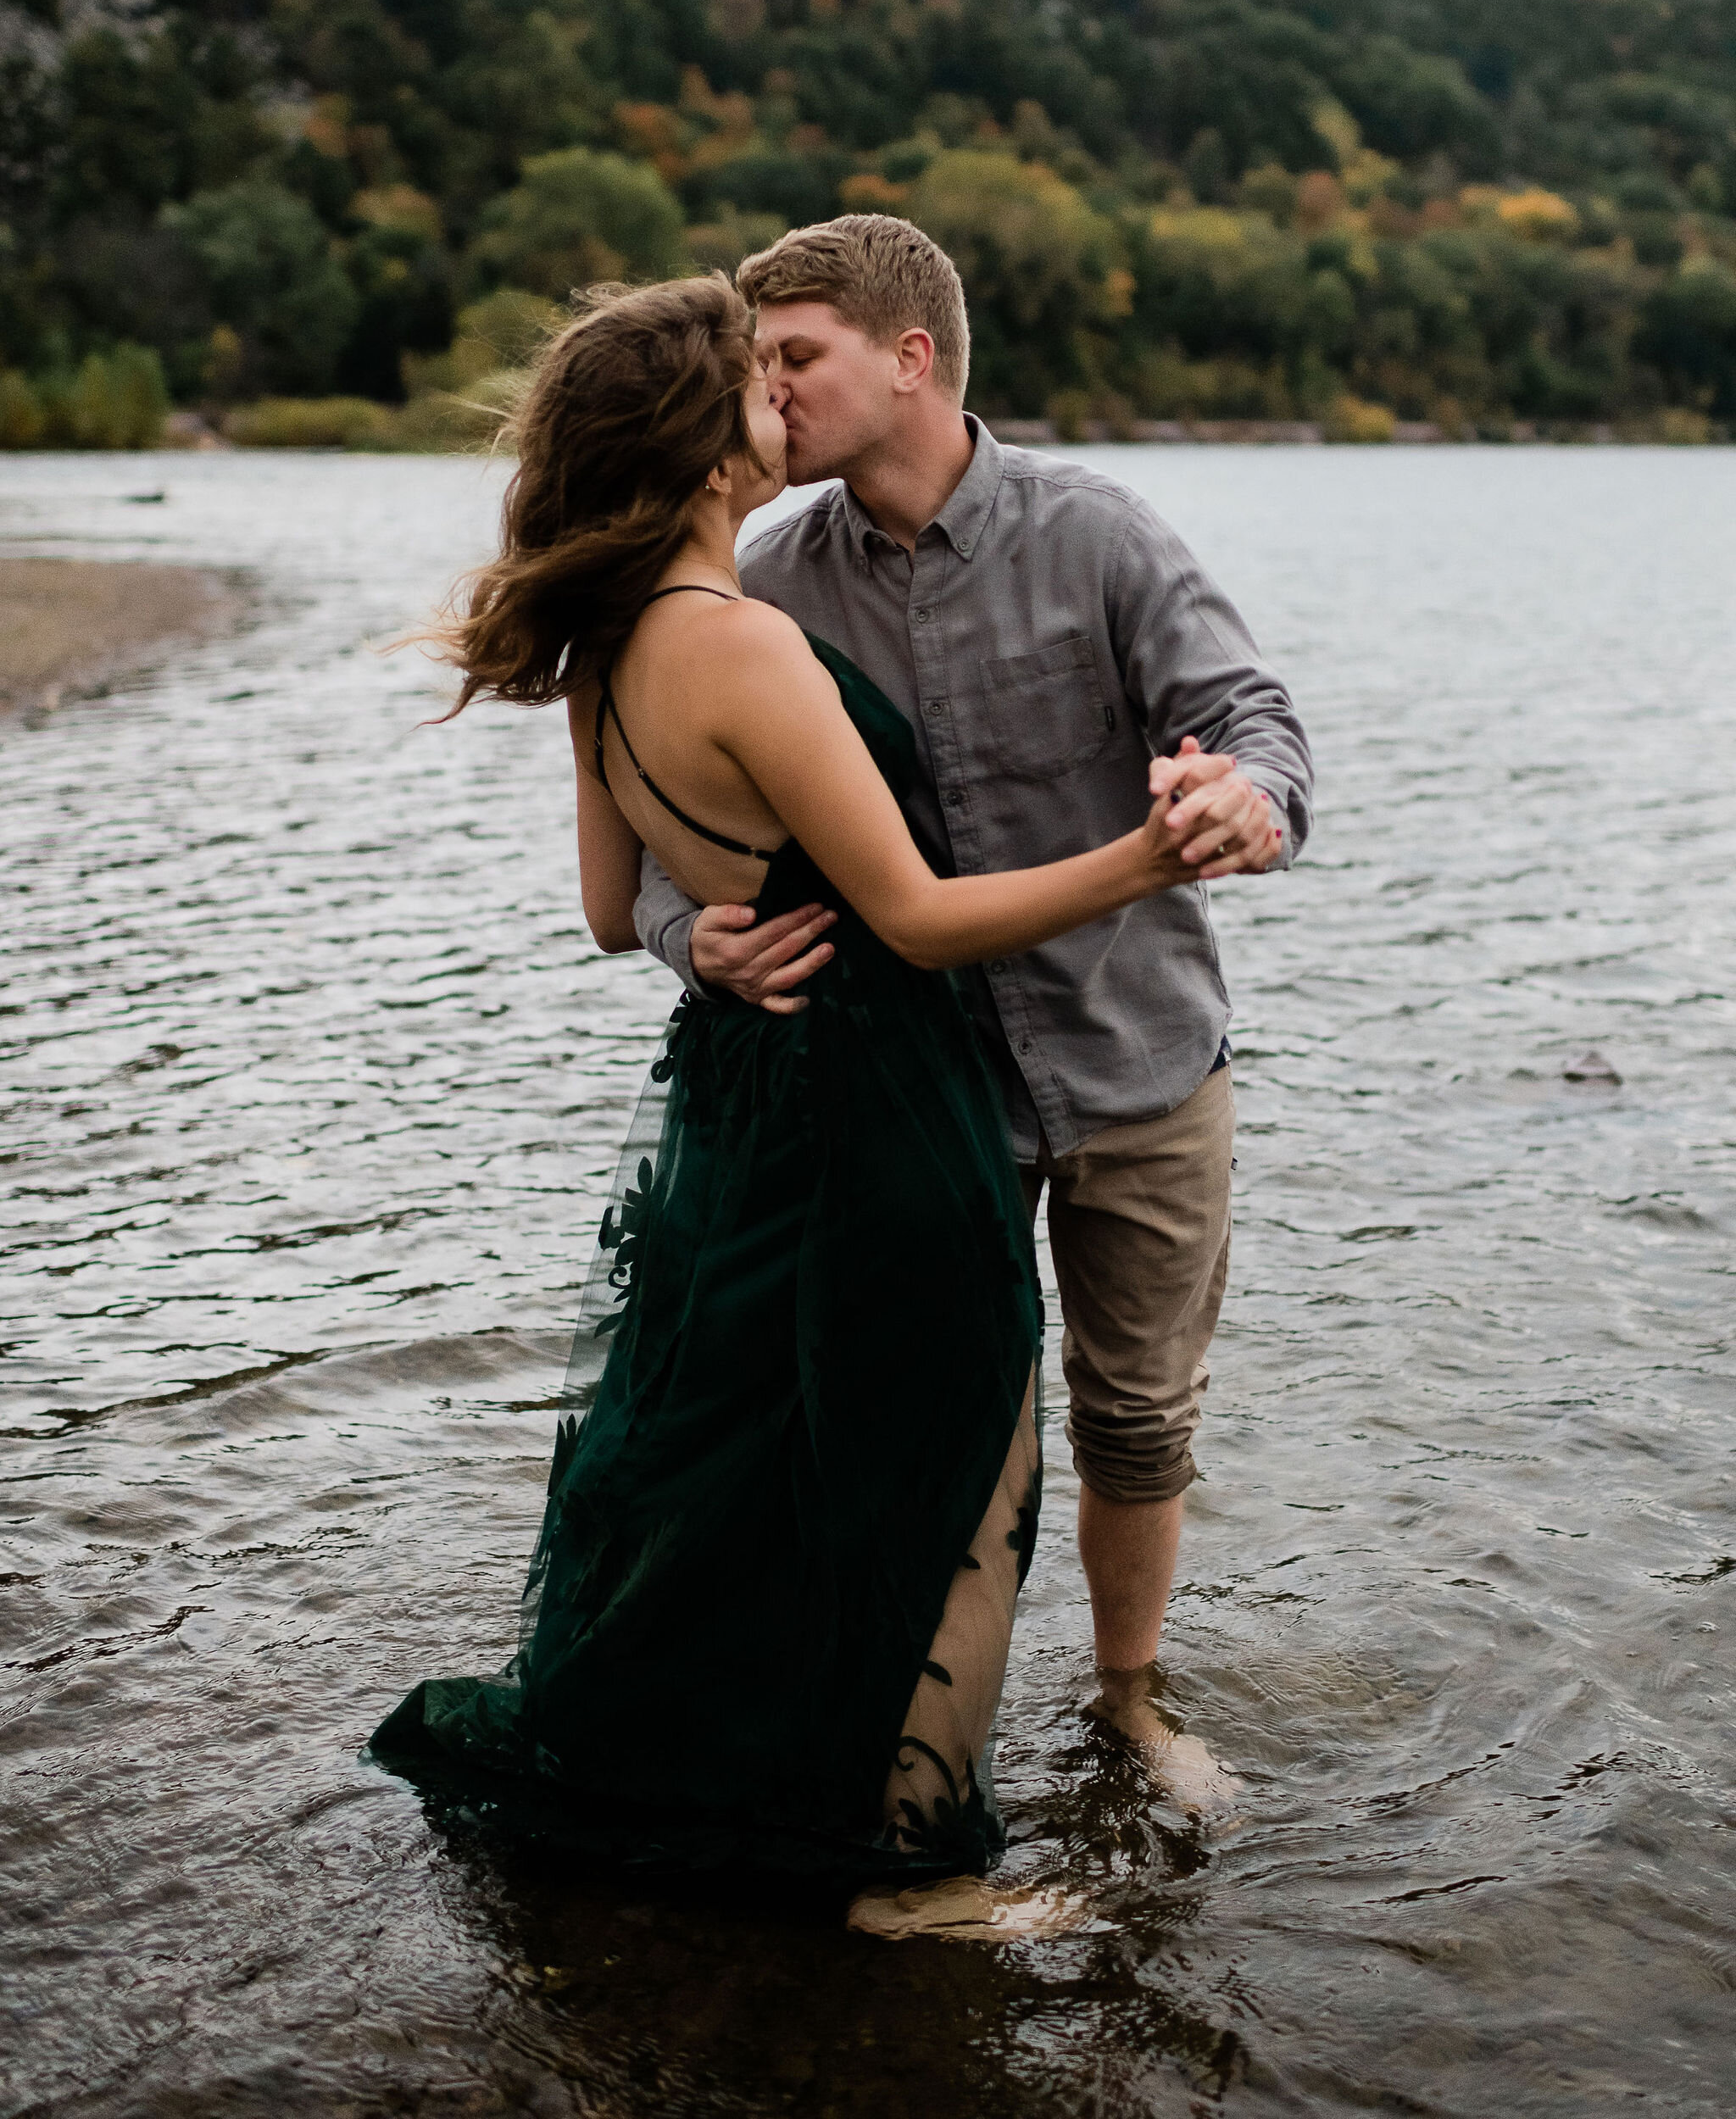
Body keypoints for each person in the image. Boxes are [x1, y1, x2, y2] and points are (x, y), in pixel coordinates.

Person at [369, 274, 1251, 1927]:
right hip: (884, 1105)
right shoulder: (749, 641)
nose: (779, 396)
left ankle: (761, 1776)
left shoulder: (606, 643)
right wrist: (1141, 859)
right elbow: (912, 917)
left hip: (745, 1097)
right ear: (711, 452)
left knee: (779, 1468)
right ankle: (906, 1872)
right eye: (752, 381)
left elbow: (597, 907)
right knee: (963, 1482)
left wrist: (699, 934)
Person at [634, 217, 1313, 1793]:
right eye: (760, 366)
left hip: (1143, 1065)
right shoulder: (764, 588)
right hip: (916, 1098)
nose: (772, 393)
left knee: (1141, 1420)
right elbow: (677, 818)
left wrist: (1249, 804)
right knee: (932, 1432)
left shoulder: (1101, 534)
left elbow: (1254, 723)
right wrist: (693, 942)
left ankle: (1129, 1706)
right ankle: (924, 1757)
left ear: (911, 359)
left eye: (795, 356)